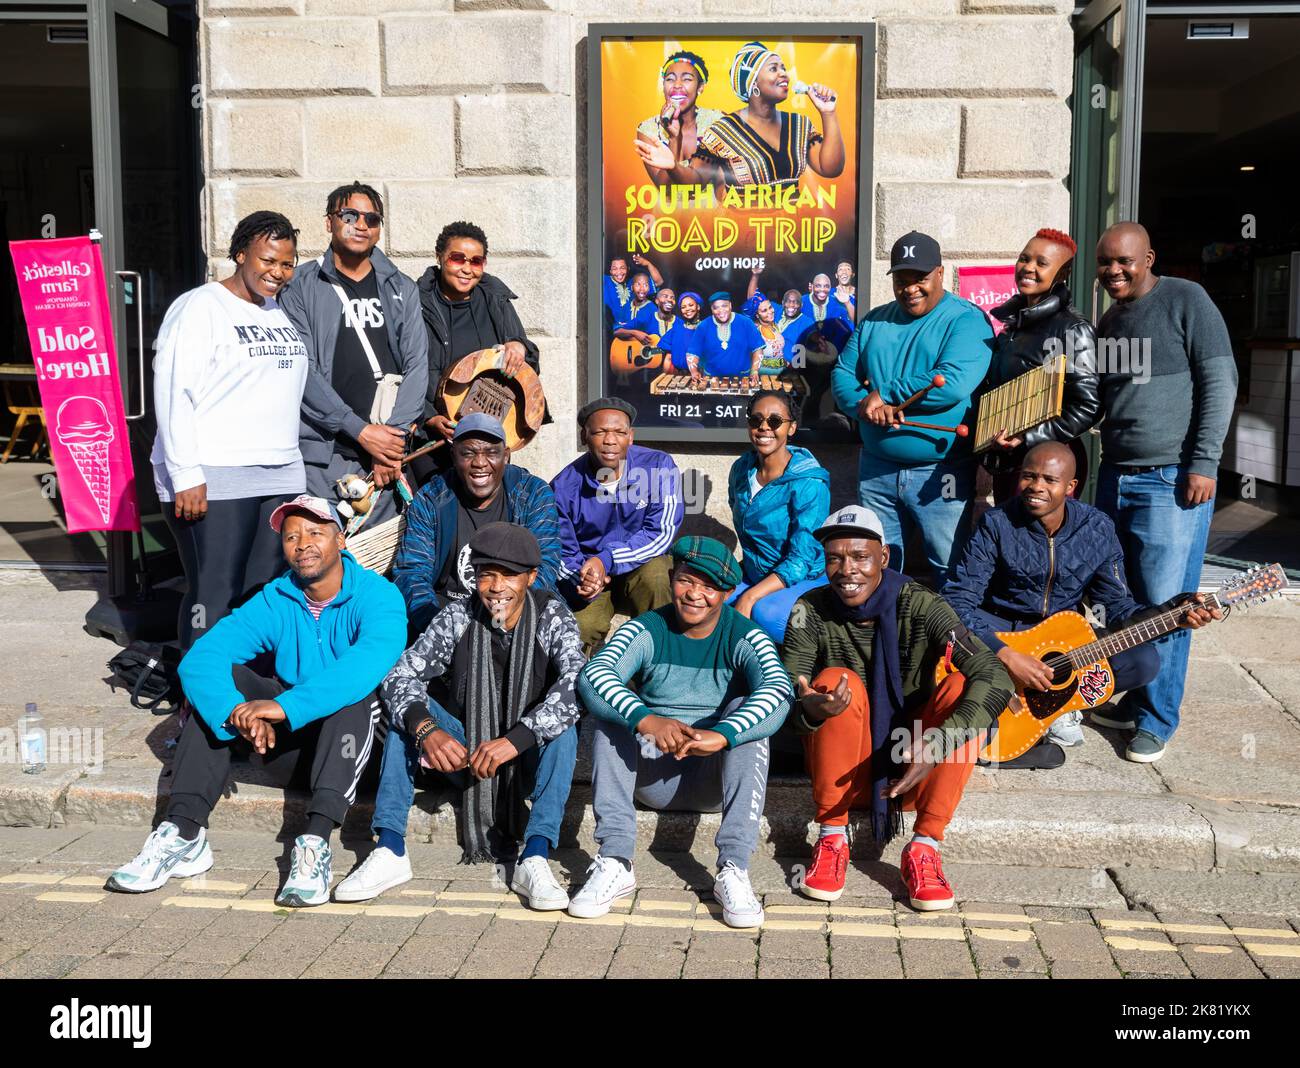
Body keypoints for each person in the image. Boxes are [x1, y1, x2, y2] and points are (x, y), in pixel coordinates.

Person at [105, 495, 407, 905]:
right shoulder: (275, 598)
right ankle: (184, 832)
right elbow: (201, 658)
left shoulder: (379, 597)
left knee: (354, 696)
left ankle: (315, 843)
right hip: (290, 749)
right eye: (291, 537)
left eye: (316, 533)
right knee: (218, 684)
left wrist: (284, 708)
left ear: (341, 539)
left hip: (357, 753)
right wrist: (236, 711)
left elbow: (365, 665)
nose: (303, 544)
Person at [336, 523, 584, 909]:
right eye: (487, 575)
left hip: (526, 757)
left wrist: (513, 741)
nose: (497, 587)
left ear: (531, 578)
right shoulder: (459, 615)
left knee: (564, 731)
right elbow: (402, 673)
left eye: (509, 576)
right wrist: (428, 729)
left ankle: (534, 855)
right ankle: (389, 848)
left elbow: (575, 686)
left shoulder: (552, 615)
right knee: (409, 719)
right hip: (467, 750)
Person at [781, 505, 1013, 909]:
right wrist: (812, 707)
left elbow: (994, 674)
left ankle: (924, 847)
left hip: (914, 764)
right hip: (843, 769)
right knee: (836, 681)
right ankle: (833, 836)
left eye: (859, 557)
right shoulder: (810, 608)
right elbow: (784, 688)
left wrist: (939, 742)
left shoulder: (923, 605)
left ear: (883, 558)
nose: (846, 570)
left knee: (962, 688)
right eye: (834, 558)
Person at [941, 442, 1219, 753]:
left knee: (1142, 661)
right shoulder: (997, 523)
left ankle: (1061, 705)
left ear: (1071, 487)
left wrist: (1175, 611)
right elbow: (958, 601)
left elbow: (1116, 607)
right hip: (1003, 627)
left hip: (1060, 637)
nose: (1036, 487)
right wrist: (1005, 654)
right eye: (1029, 476)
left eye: (1049, 480)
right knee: (952, 648)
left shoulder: (1096, 528)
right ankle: (1014, 692)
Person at [572, 536, 793, 927]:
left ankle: (734, 869)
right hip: (651, 772)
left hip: (715, 779)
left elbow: (778, 692)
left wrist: (722, 734)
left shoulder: (744, 634)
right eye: (687, 580)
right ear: (672, 578)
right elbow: (593, 676)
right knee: (612, 716)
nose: (695, 594)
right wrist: (646, 719)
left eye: (709, 587)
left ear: (726, 593)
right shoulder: (648, 627)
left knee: (750, 714)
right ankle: (616, 860)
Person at [1092, 221, 1237, 762]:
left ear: (1148, 257)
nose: (1113, 271)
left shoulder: (1186, 299)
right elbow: (1099, 401)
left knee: (1169, 604)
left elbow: (1221, 382)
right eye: (1106, 263)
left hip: (1170, 479)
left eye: (1124, 261)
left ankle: (1158, 719)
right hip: (1116, 475)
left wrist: (1204, 462)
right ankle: (1134, 698)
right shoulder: (1109, 321)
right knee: (1125, 601)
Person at [150, 210, 307, 651]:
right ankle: (199, 702)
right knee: (214, 593)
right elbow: (173, 390)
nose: (277, 272)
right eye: (268, 260)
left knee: (263, 592)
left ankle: (245, 691)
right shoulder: (200, 306)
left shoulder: (275, 310)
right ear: (240, 254)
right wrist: (185, 473)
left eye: (287, 263)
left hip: (277, 473)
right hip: (214, 474)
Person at [831, 231, 995, 584]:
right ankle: (885, 637)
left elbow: (953, 382)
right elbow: (843, 373)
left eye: (919, 278)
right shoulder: (874, 320)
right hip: (876, 468)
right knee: (876, 571)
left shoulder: (965, 320)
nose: (910, 288)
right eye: (902, 280)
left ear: (939, 272)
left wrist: (886, 393)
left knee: (950, 568)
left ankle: (952, 639)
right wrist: (864, 405)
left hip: (940, 470)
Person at [280, 182, 428, 524]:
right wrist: (361, 431)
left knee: (381, 564)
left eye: (372, 219)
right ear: (329, 222)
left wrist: (392, 443)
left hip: (386, 460)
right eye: (350, 215)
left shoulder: (400, 286)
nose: (361, 225)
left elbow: (417, 365)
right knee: (323, 554)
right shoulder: (301, 286)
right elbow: (304, 370)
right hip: (327, 454)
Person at [392, 413, 561, 634]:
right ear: (453, 456)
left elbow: (545, 566)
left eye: (491, 453)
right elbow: (412, 571)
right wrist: (437, 628)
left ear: (506, 456)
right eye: (468, 453)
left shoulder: (533, 494)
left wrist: (500, 620)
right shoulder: (432, 498)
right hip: (446, 611)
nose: (480, 463)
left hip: (514, 607)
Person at [551, 398, 682, 651]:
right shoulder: (563, 487)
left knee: (657, 576)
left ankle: (660, 661)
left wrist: (608, 559)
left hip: (642, 566)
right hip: (590, 574)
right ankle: (586, 680)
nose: (610, 440)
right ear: (584, 436)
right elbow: (562, 552)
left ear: (630, 437)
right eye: (599, 432)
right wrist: (584, 580)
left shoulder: (658, 466)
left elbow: (661, 532)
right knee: (580, 627)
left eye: (619, 432)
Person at [982, 228, 1099, 502]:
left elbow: (1089, 406)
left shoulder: (1075, 330)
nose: (1028, 268)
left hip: (1049, 466)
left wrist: (1029, 436)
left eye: (1041, 263)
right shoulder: (1012, 326)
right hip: (1011, 461)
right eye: (1025, 258)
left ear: (1062, 274)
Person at [635, 41, 843, 191]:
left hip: (792, 237)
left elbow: (830, 168)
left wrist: (828, 113)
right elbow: (696, 179)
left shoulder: (800, 124)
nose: (784, 74)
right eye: (773, 69)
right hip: (740, 236)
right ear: (752, 84)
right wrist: (673, 162)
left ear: (700, 87)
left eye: (783, 68)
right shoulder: (724, 130)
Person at [415, 220, 539, 448]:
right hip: (432, 437)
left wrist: (519, 347)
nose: (466, 268)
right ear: (439, 256)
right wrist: (429, 417)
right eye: (457, 258)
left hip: (487, 437)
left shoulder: (495, 300)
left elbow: (530, 365)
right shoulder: (415, 302)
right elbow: (402, 370)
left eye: (476, 261)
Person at [727, 390, 830, 643]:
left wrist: (750, 596)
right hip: (756, 573)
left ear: (791, 428)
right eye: (756, 420)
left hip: (803, 578)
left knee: (765, 612)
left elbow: (802, 558)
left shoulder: (809, 482)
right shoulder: (741, 469)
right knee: (707, 596)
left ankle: (792, 671)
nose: (764, 427)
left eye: (775, 421)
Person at [636, 50, 724, 187]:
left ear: (700, 87)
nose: (677, 85)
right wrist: (674, 139)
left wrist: (673, 166)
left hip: (709, 208)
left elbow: (697, 182)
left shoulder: (716, 122)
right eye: (670, 79)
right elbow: (664, 187)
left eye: (687, 79)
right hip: (667, 208)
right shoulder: (648, 130)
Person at [686, 291, 766, 383]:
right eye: (716, 308)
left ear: (730, 305)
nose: (721, 311)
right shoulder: (703, 326)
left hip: (742, 379)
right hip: (712, 380)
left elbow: (758, 348)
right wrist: (694, 371)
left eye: (724, 306)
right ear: (711, 309)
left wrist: (754, 370)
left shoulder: (746, 323)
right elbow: (692, 352)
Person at [602, 254, 662, 324]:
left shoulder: (633, 283)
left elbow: (659, 282)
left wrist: (647, 264)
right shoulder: (604, 280)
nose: (619, 272)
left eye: (622, 268)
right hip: (610, 330)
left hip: (632, 328)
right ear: (610, 271)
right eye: (614, 269)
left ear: (628, 269)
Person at [613, 284, 676, 349]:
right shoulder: (647, 317)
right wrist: (635, 333)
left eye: (672, 298)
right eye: (665, 296)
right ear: (657, 301)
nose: (669, 300)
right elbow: (617, 331)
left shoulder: (679, 323)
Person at [741, 292, 788, 375]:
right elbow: (752, 358)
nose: (770, 311)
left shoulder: (774, 325)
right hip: (764, 375)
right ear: (757, 315)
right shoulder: (756, 332)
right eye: (764, 311)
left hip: (780, 373)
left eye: (770, 307)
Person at [662, 290, 703, 373]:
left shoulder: (706, 328)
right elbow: (668, 356)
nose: (687, 309)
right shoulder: (676, 329)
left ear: (698, 307)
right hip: (677, 376)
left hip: (700, 375)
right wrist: (664, 377)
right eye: (683, 307)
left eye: (691, 305)